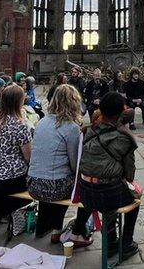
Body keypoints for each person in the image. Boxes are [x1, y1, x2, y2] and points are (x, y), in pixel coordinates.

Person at [27, 84, 93, 247]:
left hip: (33, 184)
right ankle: (77, 233)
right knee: (89, 189)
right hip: (53, 187)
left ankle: (55, 229)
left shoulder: (42, 121)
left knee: (58, 176)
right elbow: (74, 165)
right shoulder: (70, 128)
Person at [78, 92, 142, 260]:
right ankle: (126, 244)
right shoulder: (123, 138)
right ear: (121, 111)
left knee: (112, 190)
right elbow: (129, 175)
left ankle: (111, 243)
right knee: (134, 200)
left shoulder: (88, 130)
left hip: (85, 193)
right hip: (108, 195)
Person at [0, 84, 34, 240]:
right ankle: (4, 210)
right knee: (36, 184)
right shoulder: (19, 125)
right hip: (10, 181)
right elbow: (29, 157)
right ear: (19, 102)